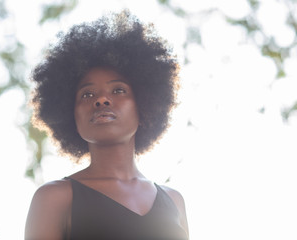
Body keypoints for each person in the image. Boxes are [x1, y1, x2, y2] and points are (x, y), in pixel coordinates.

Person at [25, 10, 189, 240]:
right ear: (71, 115)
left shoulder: (174, 201)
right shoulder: (55, 198)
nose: (101, 100)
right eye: (87, 94)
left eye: (118, 90)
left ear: (144, 105)